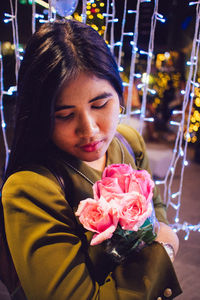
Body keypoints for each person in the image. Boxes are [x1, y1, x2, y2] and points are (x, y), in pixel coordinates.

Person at [0, 20, 182, 300]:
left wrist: (158, 226)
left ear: (118, 94)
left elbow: (153, 202)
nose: (90, 130)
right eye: (64, 115)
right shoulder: (31, 188)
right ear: (40, 116)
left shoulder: (128, 142)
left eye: (100, 104)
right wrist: (164, 251)